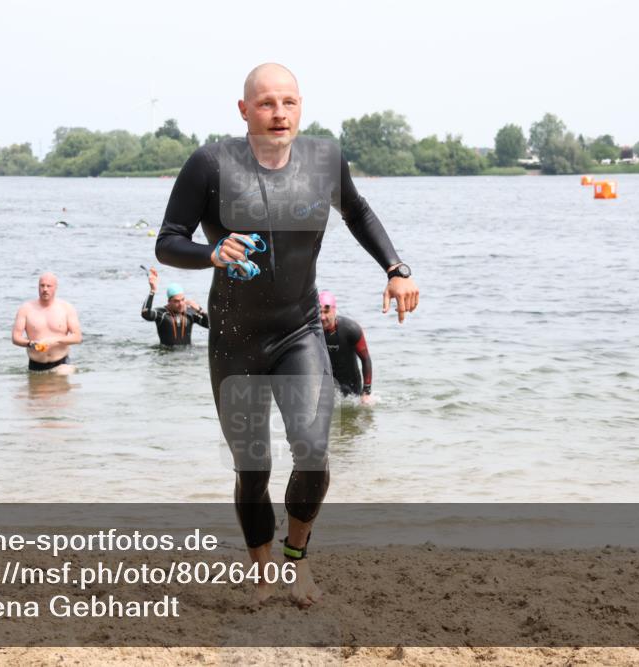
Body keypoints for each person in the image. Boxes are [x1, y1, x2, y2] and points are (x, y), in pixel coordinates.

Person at [155, 63, 419, 607]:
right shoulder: (209, 164)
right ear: (244, 110)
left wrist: (396, 270)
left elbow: (359, 213)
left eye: (289, 102)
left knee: (314, 452)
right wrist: (210, 253)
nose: (279, 113)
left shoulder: (324, 161)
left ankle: (296, 562)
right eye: (267, 103)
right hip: (234, 337)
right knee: (253, 468)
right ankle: (261, 569)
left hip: (298, 330)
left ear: (301, 106)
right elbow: (167, 241)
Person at [11, 272, 82, 374]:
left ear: (55, 287)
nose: (45, 289)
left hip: (61, 363)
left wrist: (55, 340)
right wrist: (30, 344)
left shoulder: (66, 308)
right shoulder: (26, 309)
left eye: (49, 286)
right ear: (38, 287)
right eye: (42, 285)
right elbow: (15, 338)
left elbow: (77, 337)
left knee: (63, 372)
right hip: (36, 365)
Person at [319, 291, 374, 405]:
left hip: (351, 386)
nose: (322, 317)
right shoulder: (312, 332)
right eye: (319, 312)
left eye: (326, 311)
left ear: (334, 310)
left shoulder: (350, 329)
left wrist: (366, 392)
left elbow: (365, 359)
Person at [141, 267, 208, 346]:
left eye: (182, 300)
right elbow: (145, 313)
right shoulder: (162, 313)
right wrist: (152, 290)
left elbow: (211, 326)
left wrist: (200, 310)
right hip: (168, 355)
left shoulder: (190, 313)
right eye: (176, 301)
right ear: (169, 301)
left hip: (188, 355)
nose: (181, 304)